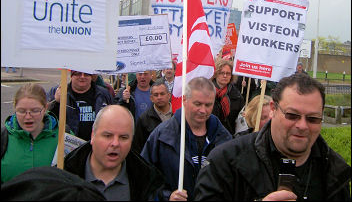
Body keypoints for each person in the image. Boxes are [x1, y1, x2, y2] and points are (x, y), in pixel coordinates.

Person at [194, 73, 351, 201]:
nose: (302, 125)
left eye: (313, 119)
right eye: (292, 115)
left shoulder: (335, 170)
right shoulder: (225, 162)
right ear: (273, 109)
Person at [141, 77, 232, 201]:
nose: (203, 110)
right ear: (184, 100)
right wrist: (167, 197)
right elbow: (143, 182)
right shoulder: (162, 136)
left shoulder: (224, 138)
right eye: (198, 104)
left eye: (208, 105)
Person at [64, 105, 164, 201]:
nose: (115, 143)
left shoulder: (148, 181)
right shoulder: (64, 173)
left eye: (123, 137)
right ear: (93, 135)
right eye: (108, 136)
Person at [1, 83, 59, 183]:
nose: (28, 116)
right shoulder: (3, 137)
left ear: (45, 108)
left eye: (35, 110)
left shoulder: (63, 136)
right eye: (22, 111)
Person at [47, 70, 113, 141]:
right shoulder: (58, 91)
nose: (82, 77)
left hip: (96, 144)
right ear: (71, 76)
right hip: (68, 145)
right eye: (78, 74)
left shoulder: (103, 94)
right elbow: (48, 120)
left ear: (91, 76)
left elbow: (113, 117)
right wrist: (56, 102)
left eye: (86, 74)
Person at [132, 80, 173, 153]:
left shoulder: (179, 115)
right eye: (156, 95)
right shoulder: (144, 119)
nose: (159, 97)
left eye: (162, 94)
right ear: (151, 98)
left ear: (169, 95)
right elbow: (138, 146)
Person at [211, 59, 245, 135]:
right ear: (216, 74)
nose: (225, 76)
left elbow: (239, 120)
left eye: (228, 73)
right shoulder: (207, 92)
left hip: (229, 135)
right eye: (222, 73)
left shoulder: (237, 96)